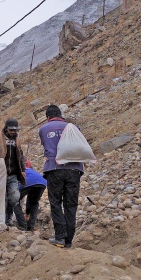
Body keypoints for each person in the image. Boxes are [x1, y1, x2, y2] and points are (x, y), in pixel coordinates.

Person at [39, 105, 83, 248]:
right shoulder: (73, 127)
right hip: (74, 169)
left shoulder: (44, 129)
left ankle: (60, 237)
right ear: (60, 115)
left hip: (54, 168)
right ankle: (69, 240)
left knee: (56, 202)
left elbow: (46, 145)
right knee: (71, 205)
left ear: (48, 118)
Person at [13, 161, 47, 231]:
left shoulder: (16, 169)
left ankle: (22, 225)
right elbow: (29, 200)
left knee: (14, 201)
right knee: (34, 203)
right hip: (42, 182)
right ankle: (30, 227)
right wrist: (27, 213)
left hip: (28, 181)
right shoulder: (31, 170)